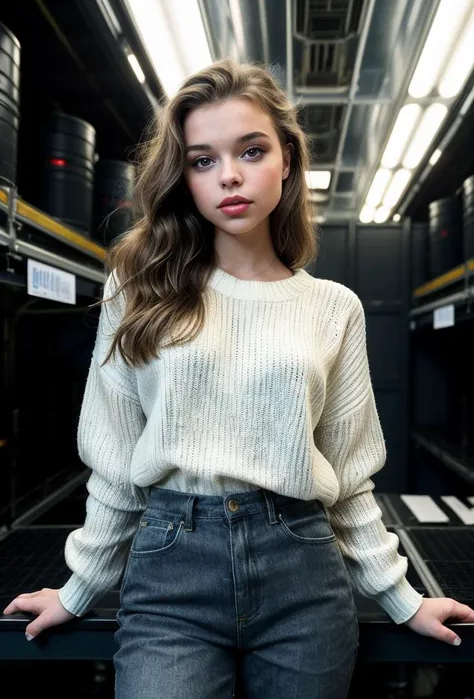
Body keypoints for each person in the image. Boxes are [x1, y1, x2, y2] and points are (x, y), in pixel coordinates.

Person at [3, 59, 474, 698]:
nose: (229, 175)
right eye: (202, 160)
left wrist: (400, 597)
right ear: (184, 178)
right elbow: (115, 458)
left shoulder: (333, 308)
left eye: (251, 151)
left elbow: (348, 474)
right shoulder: (139, 288)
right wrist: (80, 585)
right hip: (171, 572)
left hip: (302, 573)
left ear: (286, 160)